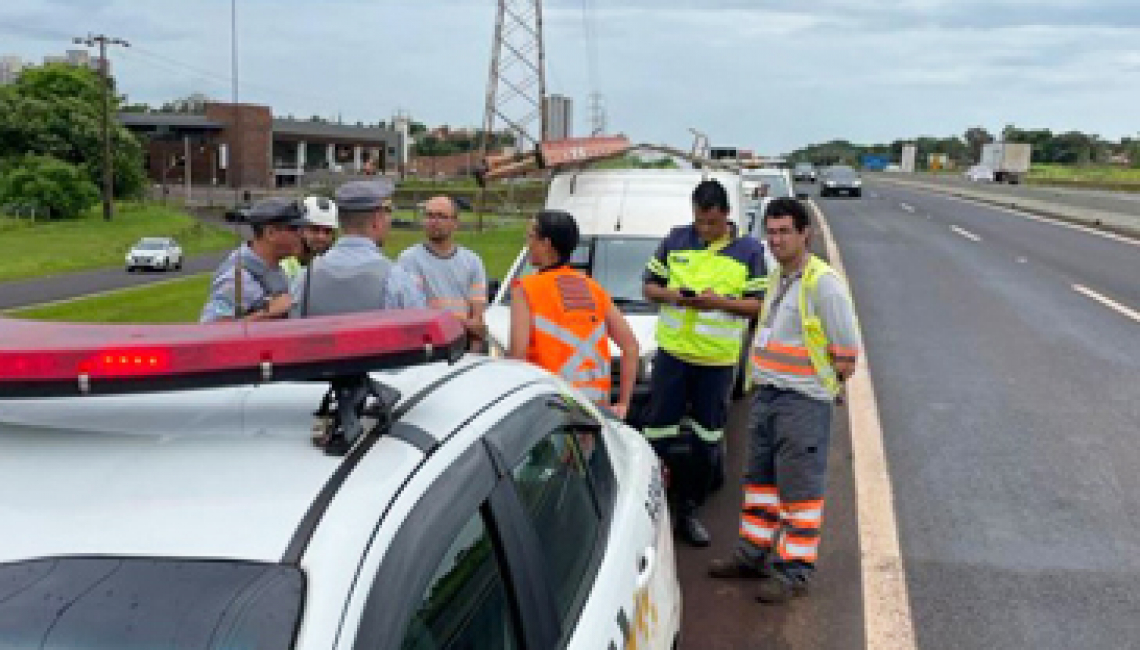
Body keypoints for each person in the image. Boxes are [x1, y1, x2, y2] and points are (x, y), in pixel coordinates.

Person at [708, 197, 861, 604]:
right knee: (760, 483)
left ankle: (794, 571)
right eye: (771, 232)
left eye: (784, 232)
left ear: (804, 233)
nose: (775, 240)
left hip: (803, 401)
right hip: (768, 394)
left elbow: (847, 352)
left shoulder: (822, 283)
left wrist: (821, 381)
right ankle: (752, 555)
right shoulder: (779, 277)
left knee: (799, 490)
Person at [641, 179, 768, 547]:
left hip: (715, 362)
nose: (705, 229)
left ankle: (689, 510)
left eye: (712, 222)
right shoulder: (676, 240)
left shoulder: (749, 251)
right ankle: (653, 505)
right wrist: (674, 296)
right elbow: (648, 287)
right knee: (658, 432)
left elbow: (758, 304)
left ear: (727, 215)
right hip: (673, 356)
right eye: (699, 221)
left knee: (707, 438)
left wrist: (719, 303)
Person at [508, 210, 639, 418]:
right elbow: (630, 346)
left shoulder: (526, 288)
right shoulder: (593, 288)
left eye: (531, 237)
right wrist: (623, 404)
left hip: (549, 405)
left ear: (547, 244)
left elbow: (516, 356)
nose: (528, 244)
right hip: (595, 408)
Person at [292, 180, 426, 317]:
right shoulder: (398, 280)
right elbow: (419, 331)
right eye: (388, 213)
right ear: (376, 220)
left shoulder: (304, 278)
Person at [397, 196, 488, 351]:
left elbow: (478, 323)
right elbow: (415, 316)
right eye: (430, 215)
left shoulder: (473, 262)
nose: (434, 221)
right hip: (426, 348)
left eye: (441, 216)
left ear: (455, 223)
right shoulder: (408, 260)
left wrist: (473, 356)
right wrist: (462, 324)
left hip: (462, 348)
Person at [200, 197, 305, 323]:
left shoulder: (273, 267)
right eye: (294, 229)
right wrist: (267, 312)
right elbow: (212, 331)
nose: (301, 234)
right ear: (270, 233)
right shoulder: (236, 278)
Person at [280, 195, 338, 281]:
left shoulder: (336, 266)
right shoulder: (283, 267)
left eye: (327, 231)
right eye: (315, 229)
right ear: (300, 230)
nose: (321, 237)